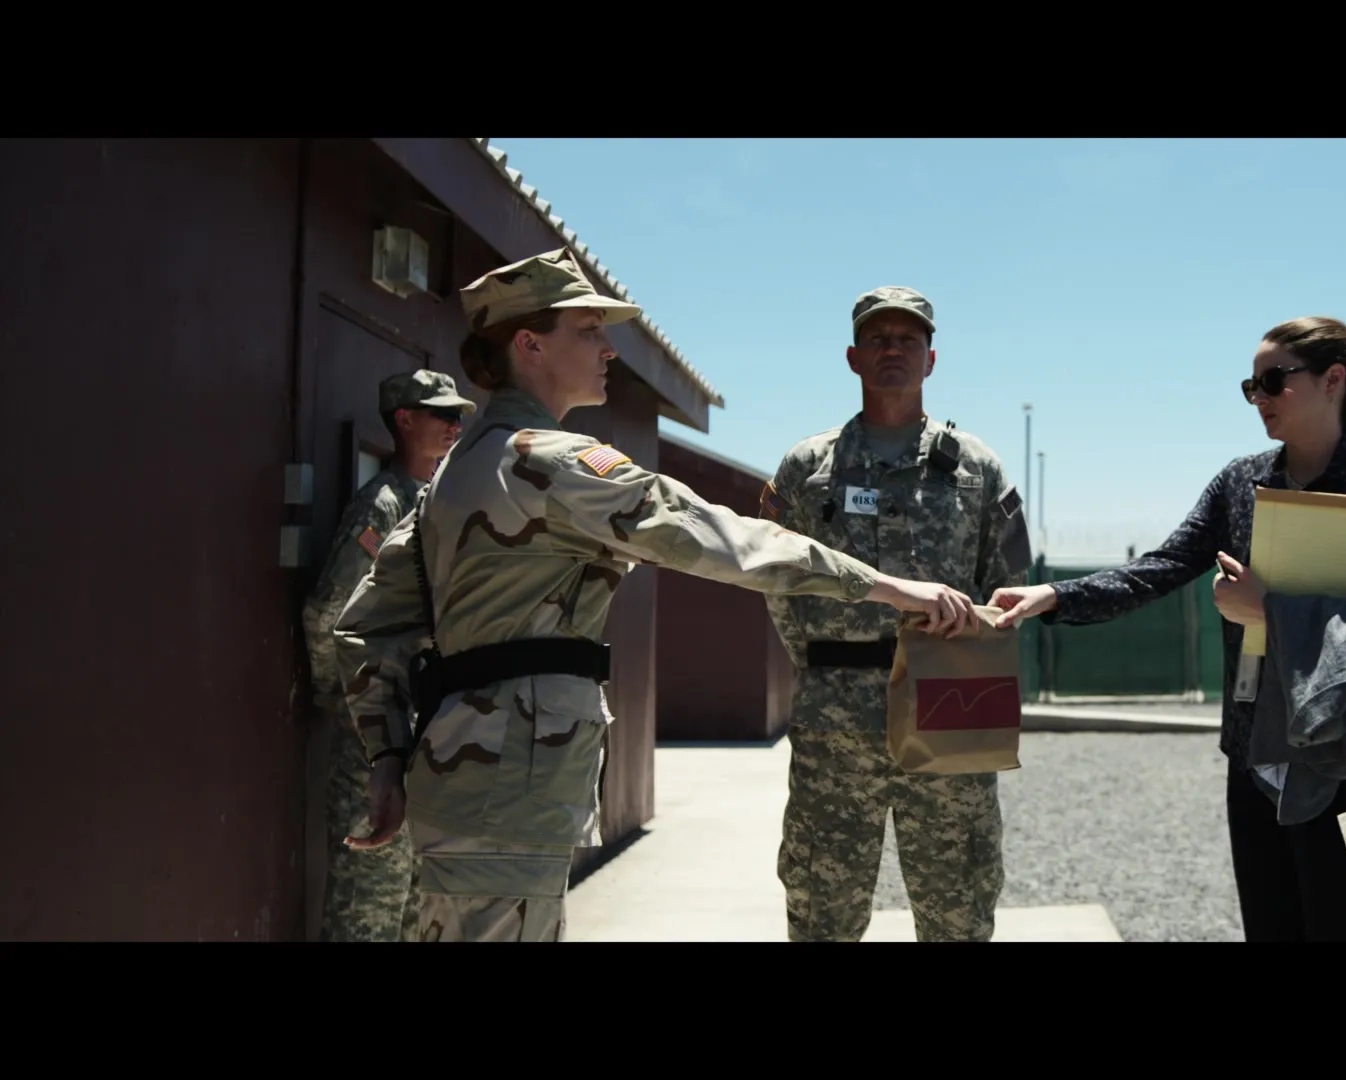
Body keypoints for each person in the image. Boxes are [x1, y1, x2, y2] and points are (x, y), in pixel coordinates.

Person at [330, 249, 978, 942]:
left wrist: (389, 757)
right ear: (530, 344)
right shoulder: (547, 461)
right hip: (508, 789)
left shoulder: (455, 471)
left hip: (464, 778)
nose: (608, 348)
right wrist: (884, 586)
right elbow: (719, 536)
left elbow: (367, 625)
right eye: (588, 330)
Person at [991, 317, 1346, 942]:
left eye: (1274, 381)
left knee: (1338, 927)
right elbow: (1164, 566)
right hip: (1253, 754)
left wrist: (1269, 610)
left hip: (1342, 753)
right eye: (1252, 387)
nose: (1262, 399)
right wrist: (1055, 595)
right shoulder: (1239, 483)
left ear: (1333, 380)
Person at [759, 285, 1031, 943]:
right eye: (878, 338)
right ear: (853, 357)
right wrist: (831, 662)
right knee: (823, 905)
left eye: (908, 339)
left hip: (949, 711)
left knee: (957, 905)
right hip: (836, 719)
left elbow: (1009, 585)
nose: (893, 350)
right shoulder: (805, 468)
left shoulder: (977, 469)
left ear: (931, 360)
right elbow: (777, 583)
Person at [300, 368, 473, 941]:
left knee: (417, 918)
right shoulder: (383, 506)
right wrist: (346, 703)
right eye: (442, 415)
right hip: (378, 746)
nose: (455, 425)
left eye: (459, 416)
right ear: (405, 419)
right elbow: (327, 613)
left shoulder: (437, 505)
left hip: (431, 742)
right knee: (367, 915)